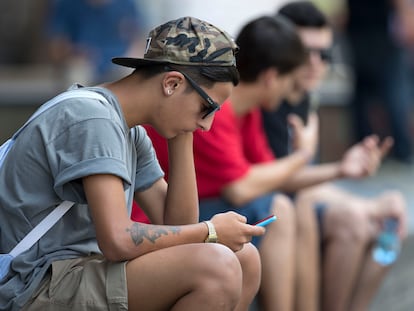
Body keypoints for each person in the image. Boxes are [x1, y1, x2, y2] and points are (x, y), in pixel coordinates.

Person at [0, 16, 264, 311]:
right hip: (31, 285)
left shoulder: (130, 131)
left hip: (74, 273)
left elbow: (178, 227)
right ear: (171, 84)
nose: (208, 124)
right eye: (207, 108)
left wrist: (183, 135)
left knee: (244, 258)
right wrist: (210, 230)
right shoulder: (93, 119)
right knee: (217, 266)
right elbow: (118, 241)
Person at [142, 15, 318, 311]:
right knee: (281, 209)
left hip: (179, 213)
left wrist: (341, 170)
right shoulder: (206, 113)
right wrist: (303, 157)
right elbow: (240, 188)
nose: (207, 124)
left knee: (298, 208)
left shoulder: (231, 113)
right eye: (290, 80)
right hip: (157, 222)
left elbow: (270, 176)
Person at [261, 2, 408, 310]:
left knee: (388, 221)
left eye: (324, 54)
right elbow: (281, 184)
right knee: (353, 221)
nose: (316, 63)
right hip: (266, 212)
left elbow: (299, 182)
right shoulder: (267, 102)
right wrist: (353, 188)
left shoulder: (303, 99)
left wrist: (369, 202)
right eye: (305, 53)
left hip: (290, 202)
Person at [344, 0, 414, 163]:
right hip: (376, 34)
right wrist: (407, 19)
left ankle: (365, 148)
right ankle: (401, 150)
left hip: (360, 31)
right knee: (393, 93)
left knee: (364, 95)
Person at [45, 0, 147, 84]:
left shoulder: (126, 4)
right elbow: (55, 48)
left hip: (119, 62)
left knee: (134, 75)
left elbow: (140, 42)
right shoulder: (68, 4)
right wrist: (73, 52)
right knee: (76, 76)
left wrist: (133, 54)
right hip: (84, 63)